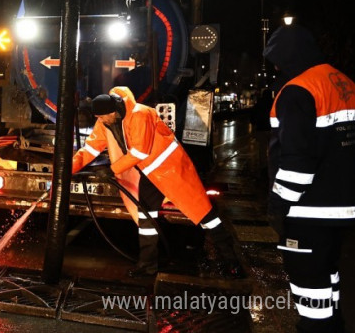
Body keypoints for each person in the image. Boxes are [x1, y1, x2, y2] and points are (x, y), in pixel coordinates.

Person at [71, 86, 242, 278]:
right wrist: (68, 169)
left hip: (173, 171)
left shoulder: (141, 114)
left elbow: (139, 152)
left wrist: (111, 170)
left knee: (205, 216)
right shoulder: (107, 121)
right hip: (149, 174)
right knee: (146, 217)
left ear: (113, 112)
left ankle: (233, 262)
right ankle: (147, 266)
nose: (99, 121)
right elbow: (91, 148)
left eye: (102, 117)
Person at [263, 25, 355, 333]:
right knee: (327, 279)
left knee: (309, 289)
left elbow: (298, 161)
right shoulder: (344, 83)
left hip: (308, 213)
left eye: (277, 60)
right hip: (341, 209)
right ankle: (333, 326)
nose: (277, 68)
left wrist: (279, 205)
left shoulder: (297, 91)